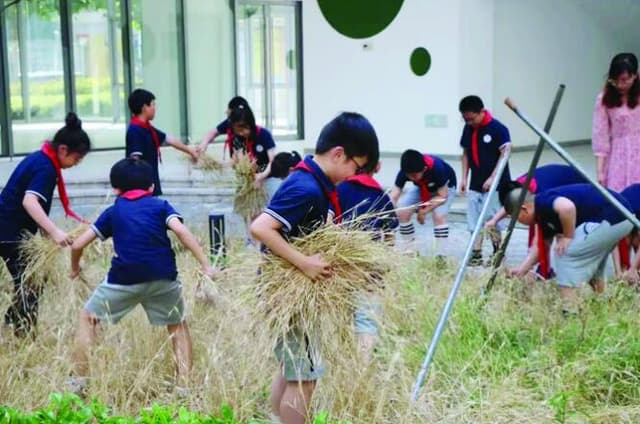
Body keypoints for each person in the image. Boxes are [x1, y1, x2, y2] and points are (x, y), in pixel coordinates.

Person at [250, 112, 379, 424]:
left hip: (285, 296)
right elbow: (261, 228)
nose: (353, 175)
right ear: (338, 154)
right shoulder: (306, 188)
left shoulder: (312, 182)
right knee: (304, 379)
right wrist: (305, 263)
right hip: (292, 299)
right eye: (356, 166)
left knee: (291, 368)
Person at [68, 158, 215, 397]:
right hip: (163, 277)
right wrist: (206, 265)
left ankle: (78, 386)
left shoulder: (113, 211)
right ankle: (185, 388)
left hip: (123, 278)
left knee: (88, 318)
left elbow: (78, 244)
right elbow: (180, 231)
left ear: (115, 189)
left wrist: (74, 268)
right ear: (151, 187)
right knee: (177, 326)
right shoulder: (161, 206)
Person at [0, 112, 91, 336]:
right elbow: (30, 202)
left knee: (32, 279)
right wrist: (54, 231)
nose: (75, 165)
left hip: (9, 228)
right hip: (9, 231)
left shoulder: (40, 159)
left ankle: (11, 326)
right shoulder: (45, 168)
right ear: (63, 150)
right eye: (76, 159)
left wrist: (46, 235)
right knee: (32, 280)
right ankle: (20, 333)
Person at [503, 184, 633, 315]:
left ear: (524, 209)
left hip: (613, 217)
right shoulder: (542, 216)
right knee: (594, 264)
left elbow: (567, 207)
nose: (520, 222)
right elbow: (542, 247)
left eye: (517, 218)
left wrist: (568, 236)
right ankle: (604, 307)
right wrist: (522, 270)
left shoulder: (542, 202)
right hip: (621, 218)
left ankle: (570, 312)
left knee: (564, 253)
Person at [337, 161, 398, 361]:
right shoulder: (381, 195)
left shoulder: (340, 190)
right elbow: (389, 234)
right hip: (371, 265)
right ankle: (362, 367)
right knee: (367, 319)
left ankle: (343, 359)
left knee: (342, 314)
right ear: (377, 167)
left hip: (340, 263)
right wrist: (385, 260)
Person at [489, 164, 587, 279]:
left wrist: (567, 236)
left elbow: (539, 238)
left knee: (558, 236)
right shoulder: (519, 186)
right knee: (547, 233)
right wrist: (494, 220)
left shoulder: (541, 195)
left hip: (576, 191)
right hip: (560, 191)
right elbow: (513, 204)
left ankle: (551, 272)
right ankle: (543, 269)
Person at [458, 95, 511, 266]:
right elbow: (466, 153)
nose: (469, 123)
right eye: (466, 119)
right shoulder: (468, 128)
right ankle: (476, 253)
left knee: (492, 218)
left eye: (472, 119)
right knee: (474, 218)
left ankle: (498, 254)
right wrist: (464, 177)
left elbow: (505, 154)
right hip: (476, 180)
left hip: (496, 183)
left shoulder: (498, 129)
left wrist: (492, 178)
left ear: (481, 112)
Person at [126, 88, 198, 196]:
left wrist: (190, 150)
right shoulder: (135, 131)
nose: (155, 108)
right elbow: (135, 161)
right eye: (153, 105)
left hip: (151, 185)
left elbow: (169, 139)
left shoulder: (148, 129)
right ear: (145, 107)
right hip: (142, 190)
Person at [389, 149, 457, 256]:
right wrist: (387, 212)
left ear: (424, 169)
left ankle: (441, 256)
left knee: (439, 216)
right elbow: (394, 194)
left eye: (414, 176)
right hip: (422, 187)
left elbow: (442, 196)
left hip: (444, 189)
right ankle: (410, 250)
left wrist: (423, 211)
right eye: (409, 176)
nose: (411, 178)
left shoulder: (437, 168)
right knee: (402, 211)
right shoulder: (406, 170)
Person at [592, 53, 640, 191]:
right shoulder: (604, 98)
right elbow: (600, 136)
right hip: (618, 157)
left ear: (635, 75)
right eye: (616, 80)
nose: (620, 85)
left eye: (625, 80)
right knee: (620, 197)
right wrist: (600, 171)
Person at [227, 105, 279, 198]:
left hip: (267, 178)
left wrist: (261, 176)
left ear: (250, 124)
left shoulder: (264, 135)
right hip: (248, 181)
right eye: (238, 131)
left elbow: (272, 161)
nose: (241, 134)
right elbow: (239, 161)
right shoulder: (237, 139)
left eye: (243, 130)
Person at [616, 183, 640, 284]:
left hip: (631, 210)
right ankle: (625, 275)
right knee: (624, 266)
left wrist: (633, 268)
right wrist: (618, 271)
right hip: (622, 212)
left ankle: (633, 274)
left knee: (633, 269)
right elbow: (613, 245)